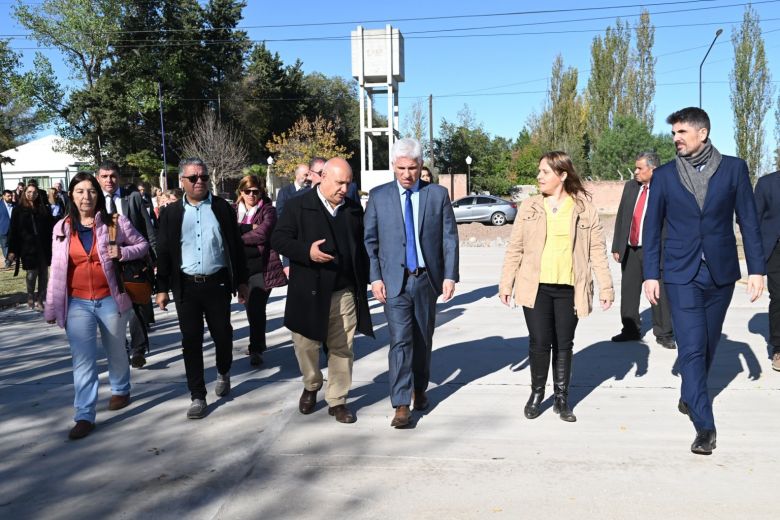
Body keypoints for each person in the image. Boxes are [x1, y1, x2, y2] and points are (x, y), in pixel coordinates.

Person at [643, 107, 764, 455]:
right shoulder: (664, 176)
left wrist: (756, 269)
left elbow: (749, 221)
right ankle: (704, 426)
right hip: (680, 274)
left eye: (681, 132)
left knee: (708, 344)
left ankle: (689, 394)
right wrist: (651, 274)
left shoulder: (734, 169)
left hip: (721, 273)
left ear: (703, 133)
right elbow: (652, 228)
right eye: (673, 133)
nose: (676, 139)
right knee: (692, 347)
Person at [499, 151, 614, 423]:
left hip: (569, 288)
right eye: (539, 171)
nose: (539, 176)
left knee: (564, 344)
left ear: (562, 175)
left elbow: (597, 250)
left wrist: (606, 288)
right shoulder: (529, 206)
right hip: (535, 287)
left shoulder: (583, 207)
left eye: (545, 172)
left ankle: (562, 399)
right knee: (539, 343)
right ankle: (537, 394)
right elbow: (515, 248)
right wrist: (506, 283)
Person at [44, 172, 149, 440]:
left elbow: (142, 245)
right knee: (83, 360)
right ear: (71, 195)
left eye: (91, 191)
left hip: (110, 299)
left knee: (116, 350)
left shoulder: (114, 222)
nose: (86, 196)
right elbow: (56, 270)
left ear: (98, 195)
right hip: (77, 302)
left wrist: (122, 252)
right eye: (79, 191)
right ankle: (84, 415)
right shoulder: (62, 228)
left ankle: (121, 389)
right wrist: (52, 305)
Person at [364, 138, 459, 428]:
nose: (407, 174)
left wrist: (449, 275)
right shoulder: (379, 197)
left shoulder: (437, 195)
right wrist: (375, 277)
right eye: (401, 168)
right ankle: (401, 404)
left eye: (413, 168)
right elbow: (370, 241)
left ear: (420, 166)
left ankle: (420, 388)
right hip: (394, 283)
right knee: (400, 341)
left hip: (425, 281)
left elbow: (449, 238)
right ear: (393, 165)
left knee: (422, 339)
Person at [271, 157, 374, 424]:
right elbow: (279, 239)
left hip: (343, 293)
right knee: (306, 346)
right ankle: (312, 383)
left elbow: (362, 248)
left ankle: (337, 400)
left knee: (342, 349)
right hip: (308, 292)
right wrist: (307, 252)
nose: (344, 189)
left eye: (348, 184)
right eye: (339, 183)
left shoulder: (352, 210)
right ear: (323, 177)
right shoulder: (298, 205)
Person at [155, 158, 249, 420]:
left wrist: (242, 281)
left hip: (217, 283)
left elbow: (235, 248)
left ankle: (223, 370)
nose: (199, 182)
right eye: (193, 178)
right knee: (191, 342)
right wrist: (161, 288)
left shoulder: (222, 209)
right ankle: (197, 395)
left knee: (222, 335)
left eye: (203, 177)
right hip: (186, 287)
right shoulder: (171, 214)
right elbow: (163, 252)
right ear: (182, 181)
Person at [96, 160, 157, 369]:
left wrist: (154, 259)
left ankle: (138, 350)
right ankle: (121, 346)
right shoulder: (94, 201)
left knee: (136, 306)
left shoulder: (132, 198)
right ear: (98, 179)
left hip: (132, 261)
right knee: (114, 309)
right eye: (104, 176)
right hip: (106, 264)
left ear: (119, 177)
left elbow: (148, 230)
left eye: (112, 176)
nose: (109, 180)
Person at [611, 151, 675, 349]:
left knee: (658, 293)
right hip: (630, 249)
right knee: (629, 292)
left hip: (655, 251)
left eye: (640, 168)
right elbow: (622, 216)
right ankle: (630, 329)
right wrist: (617, 245)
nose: (635, 172)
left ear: (653, 169)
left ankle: (664, 333)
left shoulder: (666, 189)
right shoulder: (631, 187)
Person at [235, 174, 286, 366]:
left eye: (255, 191)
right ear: (241, 192)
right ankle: (258, 342)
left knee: (257, 307)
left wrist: (238, 234)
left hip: (262, 268)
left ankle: (256, 348)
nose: (251, 195)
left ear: (261, 192)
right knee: (250, 309)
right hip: (241, 268)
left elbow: (263, 233)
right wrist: (249, 227)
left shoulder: (268, 210)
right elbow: (227, 231)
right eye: (247, 191)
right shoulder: (233, 210)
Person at [7, 182, 55, 311]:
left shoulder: (42, 208)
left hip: (43, 246)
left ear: (37, 194)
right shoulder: (18, 209)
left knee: (43, 274)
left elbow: (51, 225)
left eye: (34, 192)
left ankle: (40, 299)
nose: (31, 194)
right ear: (24, 193)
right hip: (27, 247)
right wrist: (12, 250)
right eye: (29, 192)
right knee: (31, 273)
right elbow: (13, 230)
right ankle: (30, 294)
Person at [754, 170, 780, 371]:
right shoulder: (767, 183)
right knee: (779, 298)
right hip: (775, 251)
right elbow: (751, 217)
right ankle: (778, 349)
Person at [1, 190, 13, 268]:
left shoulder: (14, 205)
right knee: (5, 246)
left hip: (14, 229)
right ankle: (8, 261)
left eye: (11, 195)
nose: (10, 197)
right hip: (3, 229)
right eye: (8, 196)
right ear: (3, 196)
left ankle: (11, 258)